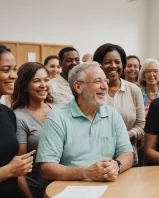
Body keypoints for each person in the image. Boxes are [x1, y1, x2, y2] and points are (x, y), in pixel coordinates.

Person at [36, 62, 134, 181]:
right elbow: (46, 168)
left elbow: (127, 154)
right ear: (78, 87)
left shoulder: (112, 114)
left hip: (108, 186)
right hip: (71, 189)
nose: (105, 86)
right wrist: (87, 173)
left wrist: (117, 166)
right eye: (98, 81)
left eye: (105, 81)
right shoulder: (57, 117)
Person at [93, 44, 145, 166]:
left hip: (128, 156)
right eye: (107, 62)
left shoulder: (134, 90)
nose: (113, 66)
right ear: (98, 64)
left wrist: (128, 135)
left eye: (118, 62)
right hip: (98, 158)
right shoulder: (92, 90)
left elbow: (141, 125)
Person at [11, 62, 53, 198]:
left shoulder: (58, 111)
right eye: (36, 81)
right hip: (35, 189)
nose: (43, 85)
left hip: (62, 184)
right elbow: (20, 168)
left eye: (46, 80)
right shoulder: (19, 117)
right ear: (24, 86)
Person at [0, 44, 34, 198]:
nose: (13, 75)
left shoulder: (8, 114)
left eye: (15, 69)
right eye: (6, 70)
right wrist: (9, 171)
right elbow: (11, 168)